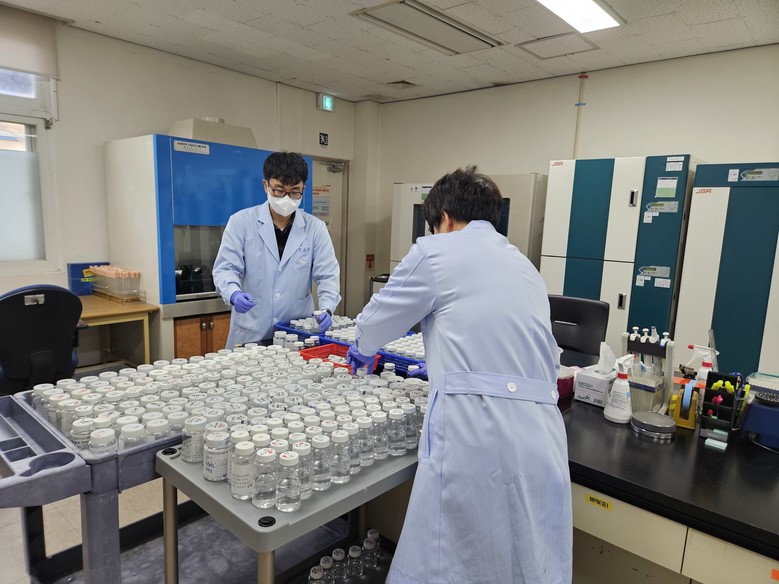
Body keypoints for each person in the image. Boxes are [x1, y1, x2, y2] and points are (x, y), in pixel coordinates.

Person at [347, 166, 572, 583]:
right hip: (542, 435)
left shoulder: (435, 251)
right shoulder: (524, 265)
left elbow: (378, 320)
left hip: (478, 433)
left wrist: (361, 345)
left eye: (434, 226)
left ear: (445, 219)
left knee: (452, 561)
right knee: (522, 563)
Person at [213, 152, 340, 348]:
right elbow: (225, 269)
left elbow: (328, 275)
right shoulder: (241, 222)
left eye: (295, 192)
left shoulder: (315, 228)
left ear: (303, 189)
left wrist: (327, 309)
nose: (286, 198)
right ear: (266, 185)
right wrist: (233, 293)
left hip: (295, 332)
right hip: (251, 330)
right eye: (279, 190)